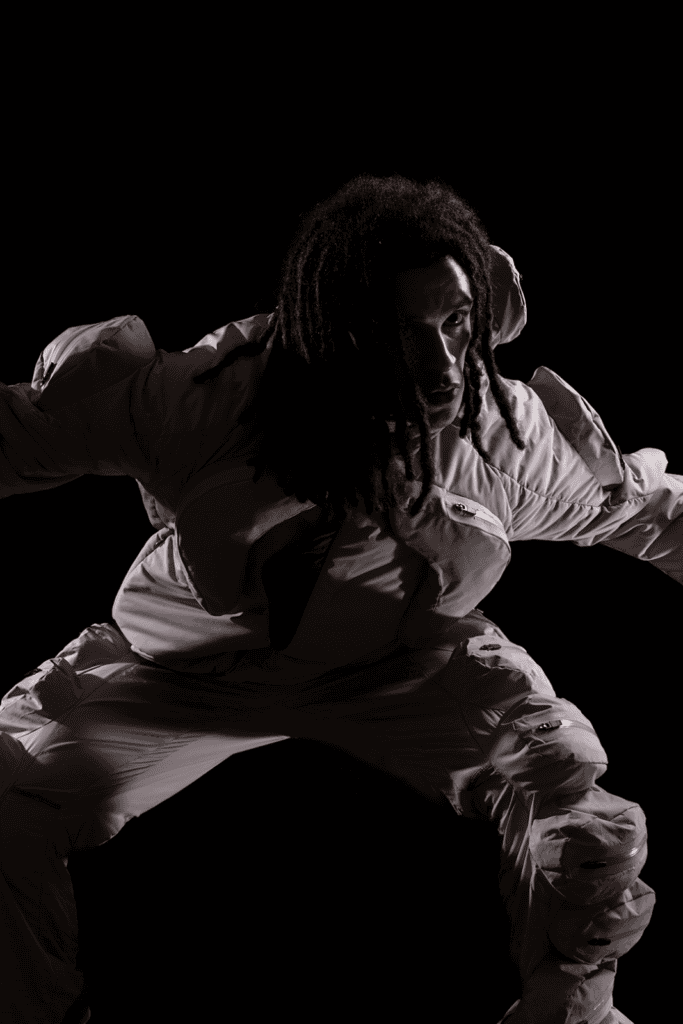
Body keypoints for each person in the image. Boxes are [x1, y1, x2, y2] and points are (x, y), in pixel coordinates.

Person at [0, 175, 679, 1024]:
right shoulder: (203, 400)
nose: (439, 365)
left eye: (456, 324)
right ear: (336, 330)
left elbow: (652, 515)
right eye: (404, 332)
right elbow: (23, 437)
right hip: (188, 671)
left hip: (407, 666)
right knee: (7, 795)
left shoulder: (502, 439)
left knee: (582, 828)